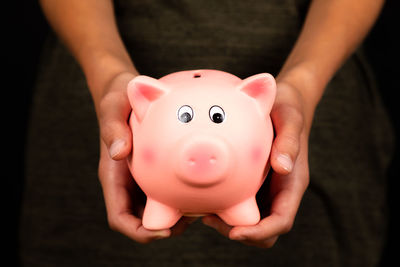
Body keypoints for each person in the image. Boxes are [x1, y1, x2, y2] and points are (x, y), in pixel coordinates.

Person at [20, 0, 394, 266]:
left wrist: (303, 83)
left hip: (314, 82)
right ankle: (160, 208)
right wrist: (106, 74)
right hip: (98, 84)